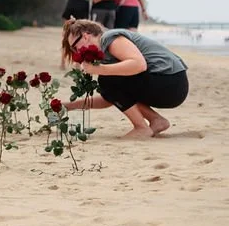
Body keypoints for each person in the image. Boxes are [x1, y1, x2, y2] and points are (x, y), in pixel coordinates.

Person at [60, 19, 188, 139]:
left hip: (171, 81)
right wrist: (68, 106)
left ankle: (141, 127)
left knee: (107, 80)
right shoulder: (106, 51)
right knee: (108, 82)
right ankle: (157, 121)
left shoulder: (111, 38)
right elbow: (112, 98)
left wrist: (99, 69)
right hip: (170, 86)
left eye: (75, 47)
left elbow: (139, 64)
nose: (76, 52)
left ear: (86, 36)